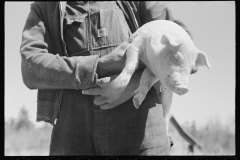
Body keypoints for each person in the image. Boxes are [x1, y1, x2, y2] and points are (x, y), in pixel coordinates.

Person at [20, 1, 192, 155]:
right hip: (71, 135)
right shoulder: (45, 7)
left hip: (143, 133)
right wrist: (104, 65)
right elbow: (30, 67)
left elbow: (184, 47)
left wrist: (134, 83)